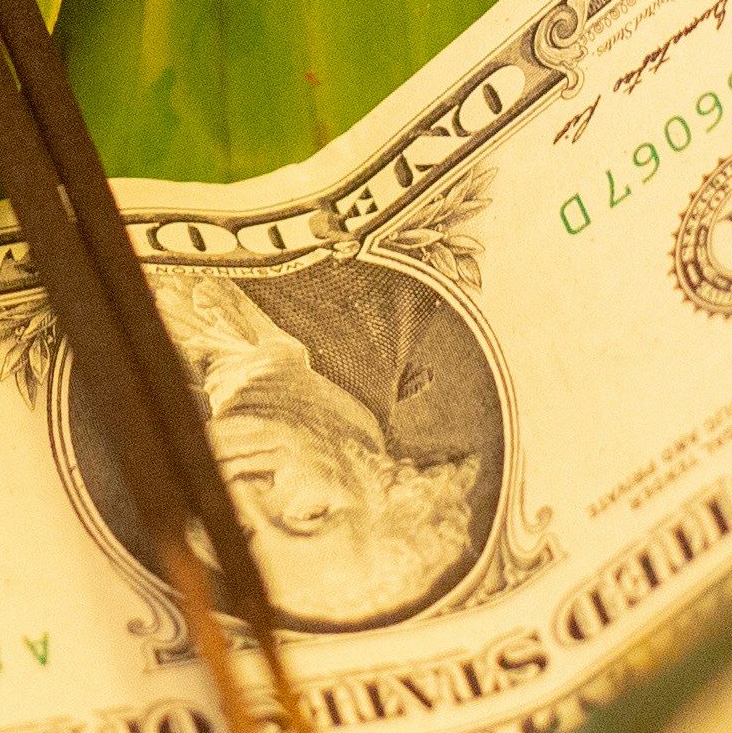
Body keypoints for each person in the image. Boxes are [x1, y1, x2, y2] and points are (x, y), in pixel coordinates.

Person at [147, 266, 482, 629]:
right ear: (380, 476)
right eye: (310, 514)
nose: (244, 492)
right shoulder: (375, 293)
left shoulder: (148, 393)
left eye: (239, 532)